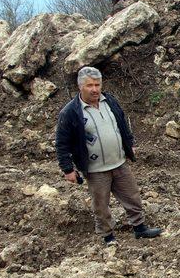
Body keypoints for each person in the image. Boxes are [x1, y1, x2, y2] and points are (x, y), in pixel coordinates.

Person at [55, 66, 162, 245]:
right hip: (96, 169)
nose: (95, 89)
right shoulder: (71, 112)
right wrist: (68, 169)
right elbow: (62, 142)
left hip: (119, 163)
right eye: (90, 85)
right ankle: (108, 236)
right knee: (101, 205)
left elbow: (122, 124)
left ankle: (140, 228)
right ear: (80, 86)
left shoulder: (109, 101)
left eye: (97, 84)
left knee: (132, 196)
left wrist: (130, 143)